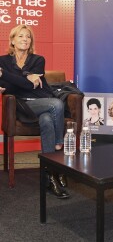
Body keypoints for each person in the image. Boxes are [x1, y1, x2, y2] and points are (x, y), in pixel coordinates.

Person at [0, 24, 70, 199]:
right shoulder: (3, 61)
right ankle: (58, 156)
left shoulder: (38, 59)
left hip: (41, 101)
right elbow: (22, 85)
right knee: (56, 105)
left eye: (28, 37)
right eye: (21, 36)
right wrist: (26, 76)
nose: (25, 39)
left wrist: (5, 76)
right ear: (12, 40)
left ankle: (50, 174)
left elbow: (28, 85)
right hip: (21, 106)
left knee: (48, 117)